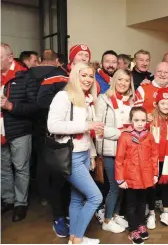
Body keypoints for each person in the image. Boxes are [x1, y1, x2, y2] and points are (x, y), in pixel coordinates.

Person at [48, 62, 104, 244]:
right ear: (74, 76)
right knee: (96, 197)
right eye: (84, 75)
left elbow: (88, 132)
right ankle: (78, 239)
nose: (88, 79)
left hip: (83, 154)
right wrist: (86, 125)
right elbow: (53, 126)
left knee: (77, 197)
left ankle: (74, 237)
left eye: (91, 76)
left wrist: (92, 154)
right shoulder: (63, 96)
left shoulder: (87, 100)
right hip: (69, 156)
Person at [31, 50, 72, 236]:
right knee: (57, 178)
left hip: (76, 139)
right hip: (54, 136)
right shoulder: (57, 77)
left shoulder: (79, 81)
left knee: (69, 180)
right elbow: (41, 102)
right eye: (80, 57)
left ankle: (66, 213)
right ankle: (59, 216)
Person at [95, 69, 135, 233]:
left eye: (127, 80)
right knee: (115, 186)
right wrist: (123, 133)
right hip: (110, 150)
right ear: (114, 80)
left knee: (124, 186)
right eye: (120, 79)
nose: (123, 83)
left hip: (127, 150)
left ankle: (116, 214)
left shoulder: (131, 100)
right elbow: (98, 127)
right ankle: (107, 220)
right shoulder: (103, 99)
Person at [115, 107, 159, 245]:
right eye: (136, 120)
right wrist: (120, 178)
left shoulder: (150, 136)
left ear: (147, 121)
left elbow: (154, 156)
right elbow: (119, 159)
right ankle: (133, 230)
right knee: (131, 205)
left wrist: (155, 173)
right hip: (130, 178)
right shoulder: (125, 137)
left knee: (142, 203)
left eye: (143, 120)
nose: (140, 123)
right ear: (131, 121)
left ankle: (141, 224)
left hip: (145, 177)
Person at [1, 43, 34, 222]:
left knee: (21, 168)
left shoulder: (25, 76)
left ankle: (20, 203)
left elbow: (34, 107)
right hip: (0, 131)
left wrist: (10, 106)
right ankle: (8, 199)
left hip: (19, 130)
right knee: (3, 167)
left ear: (10, 57)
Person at [146, 88, 168, 229]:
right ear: (157, 104)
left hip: (167, 160)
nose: (165, 106)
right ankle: (151, 213)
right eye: (163, 103)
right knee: (152, 187)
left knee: (165, 186)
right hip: (152, 160)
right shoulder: (151, 120)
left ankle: (166, 210)